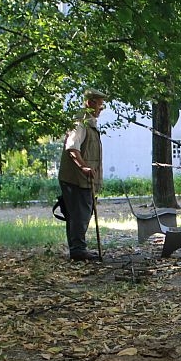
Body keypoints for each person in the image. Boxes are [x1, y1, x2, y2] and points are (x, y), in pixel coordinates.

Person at [58, 88, 107, 261]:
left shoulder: (89, 122)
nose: (102, 108)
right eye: (100, 104)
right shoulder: (80, 123)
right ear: (90, 102)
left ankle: (77, 249)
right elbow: (72, 147)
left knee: (80, 214)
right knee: (80, 215)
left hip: (82, 179)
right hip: (76, 179)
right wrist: (83, 167)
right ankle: (78, 251)